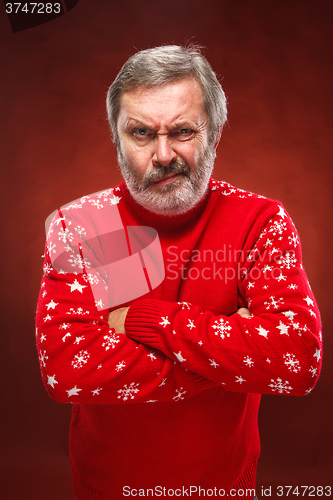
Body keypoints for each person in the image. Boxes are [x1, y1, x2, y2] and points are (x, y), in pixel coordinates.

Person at [35, 45, 322, 500]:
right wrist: (232, 356)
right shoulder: (86, 225)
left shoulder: (260, 221)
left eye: (183, 130)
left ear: (215, 132)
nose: (163, 153)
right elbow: (67, 369)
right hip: (108, 487)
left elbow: (297, 356)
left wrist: (139, 321)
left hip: (225, 486)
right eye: (142, 133)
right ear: (116, 138)